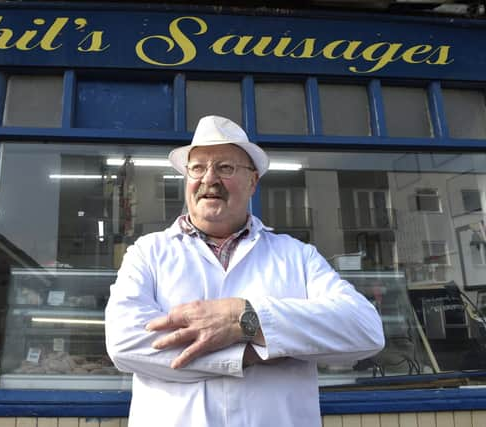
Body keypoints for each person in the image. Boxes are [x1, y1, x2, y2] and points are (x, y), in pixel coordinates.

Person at [105, 115, 385, 427]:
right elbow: (125, 343)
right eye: (197, 167)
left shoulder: (296, 255)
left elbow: (364, 329)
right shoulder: (149, 252)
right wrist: (255, 352)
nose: (209, 178)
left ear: (253, 181)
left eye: (225, 167)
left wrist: (246, 317)